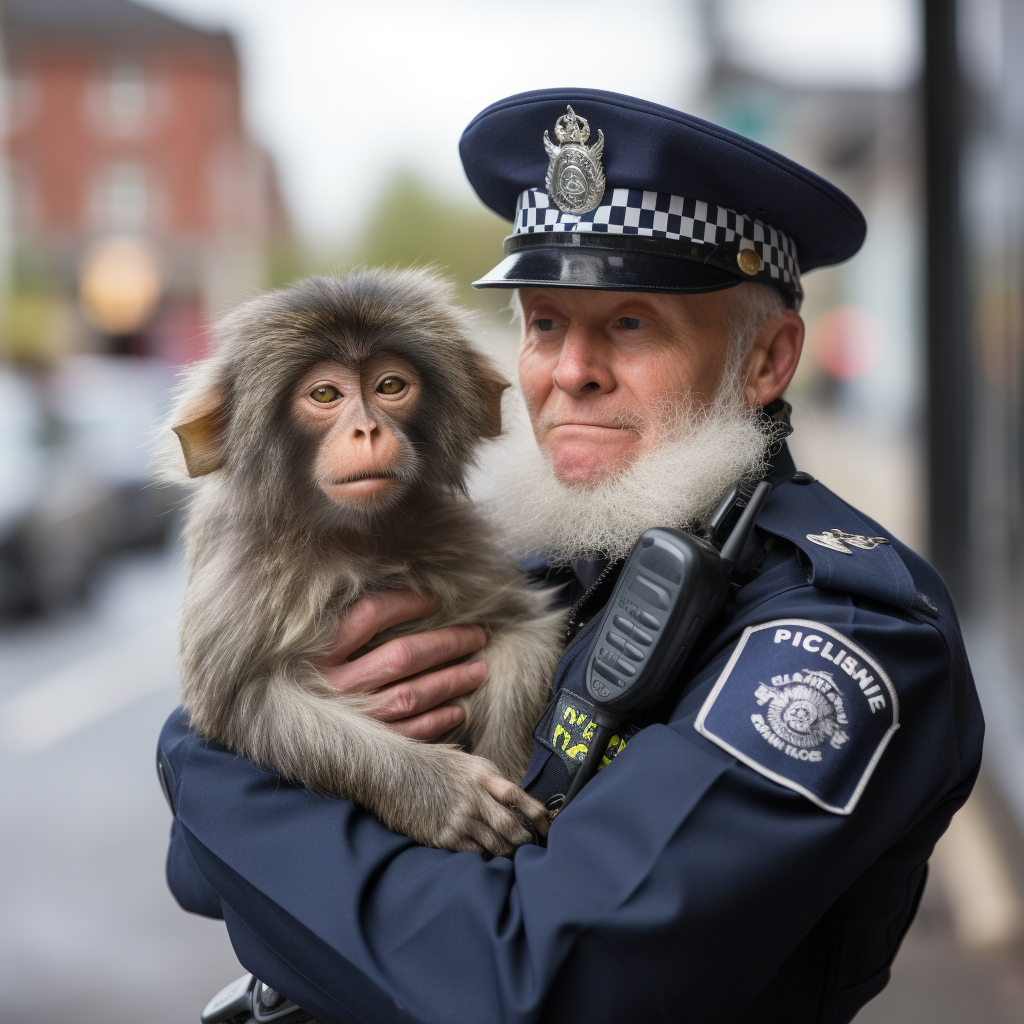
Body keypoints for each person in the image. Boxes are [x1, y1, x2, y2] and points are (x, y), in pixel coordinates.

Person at [158, 89, 983, 1024]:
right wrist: (242, 730)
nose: (567, 371)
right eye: (545, 323)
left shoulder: (837, 631)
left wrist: (214, 760)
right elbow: (200, 868)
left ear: (766, 360)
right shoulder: (556, 556)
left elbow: (534, 984)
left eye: (630, 324)